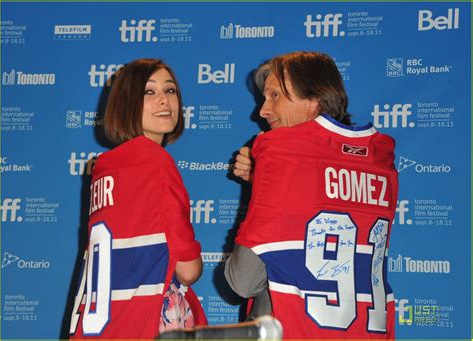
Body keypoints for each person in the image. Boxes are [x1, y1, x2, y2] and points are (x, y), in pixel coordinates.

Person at [225, 51, 398, 339]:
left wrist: (268, 178)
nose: (262, 111)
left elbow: (242, 280)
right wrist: (263, 178)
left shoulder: (281, 158)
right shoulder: (377, 159)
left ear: (315, 100)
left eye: (275, 96)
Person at [69, 58, 206, 339]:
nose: (164, 101)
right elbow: (188, 270)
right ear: (127, 102)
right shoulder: (154, 161)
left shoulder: (103, 168)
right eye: (149, 92)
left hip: (105, 327)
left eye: (170, 91)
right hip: (149, 321)